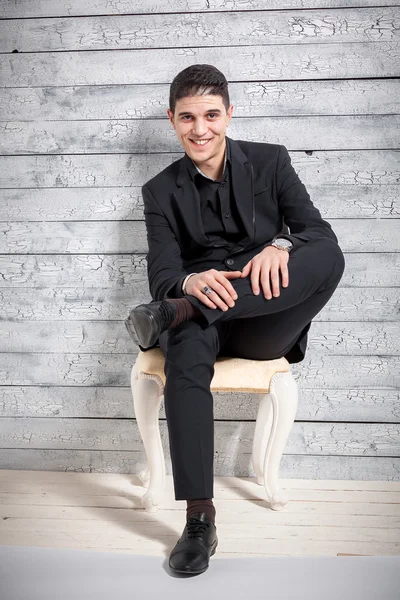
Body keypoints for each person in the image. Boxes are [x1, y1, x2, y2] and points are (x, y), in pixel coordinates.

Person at [124, 64, 345, 575]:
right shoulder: (159, 191)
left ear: (229, 113)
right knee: (184, 348)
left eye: (211, 115)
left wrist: (281, 244)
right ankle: (199, 520)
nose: (200, 129)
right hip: (202, 318)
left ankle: (180, 313)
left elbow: (316, 231)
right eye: (187, 118)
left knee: (328, 257)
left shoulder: (271, 162)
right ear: (172, 120)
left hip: (266, 320)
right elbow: (162, 272)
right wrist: (185, 285)